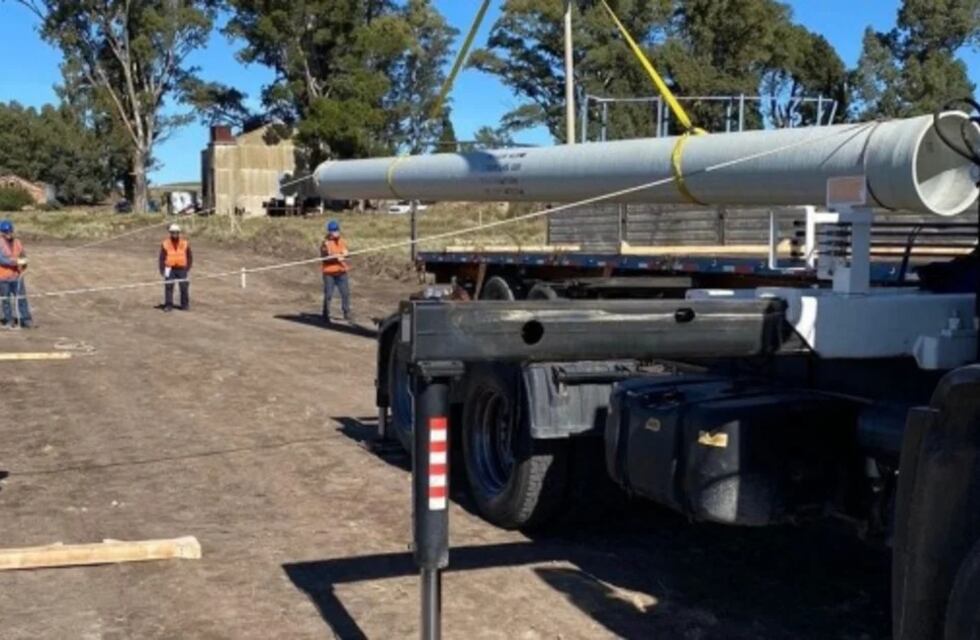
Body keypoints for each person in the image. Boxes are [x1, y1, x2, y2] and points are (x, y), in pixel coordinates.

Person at [0, 220, 33, 329]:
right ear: (2, 233)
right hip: (3, 278)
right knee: (6, 300)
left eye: (10, 231)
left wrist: (23, 264)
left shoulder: (17, 242)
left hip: (16, 277)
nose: (9, 234)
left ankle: (25, 320)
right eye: (6, 232)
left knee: (22, 298)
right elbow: (2, 260)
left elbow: (23, 255)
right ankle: (9, 321)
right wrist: (15, 262)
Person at [321, 220, 351, 323]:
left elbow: (345, 252)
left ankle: (346, 312)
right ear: (330, 232)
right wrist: (335, 257)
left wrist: (346, 254)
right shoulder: (325, 243)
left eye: (337, 230)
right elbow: (325, 257)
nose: (336, 232)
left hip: (341, 272)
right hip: (329, 273)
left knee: (345, 293)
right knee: (328, 294)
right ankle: (325, 314)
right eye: (334, 231)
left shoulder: (341, 241)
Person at [159, 223, 193, 311]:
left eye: (176, 232)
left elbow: (189, 256)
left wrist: (187, 267)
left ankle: (185, 305)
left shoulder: (184, 243)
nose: (174, 234)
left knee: (184, 286)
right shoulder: (165, 243)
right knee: (169, 286)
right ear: (170, 233)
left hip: (182, 268)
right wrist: (162, 270)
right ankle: (168, 305)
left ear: (179, 233)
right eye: (173, 232)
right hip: (169, 268)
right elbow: (162, 258)